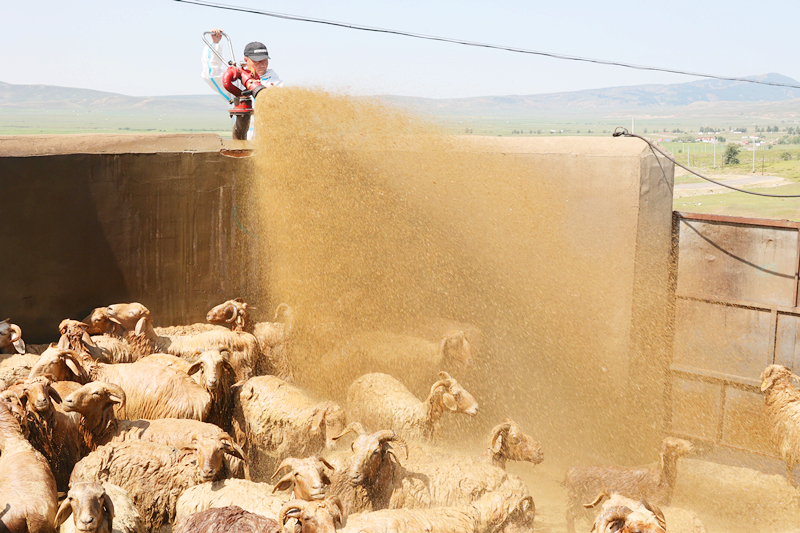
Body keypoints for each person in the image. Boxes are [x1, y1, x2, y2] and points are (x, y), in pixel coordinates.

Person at [201, 28, 283, 139]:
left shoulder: (276, 83)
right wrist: (215, 44)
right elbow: (212, 75)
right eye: (257, 61)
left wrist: (273, 94)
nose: (262, 64)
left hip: (269, 139)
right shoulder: (238, 82)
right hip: (243, 139)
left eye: (265, 60)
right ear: (246, 60)